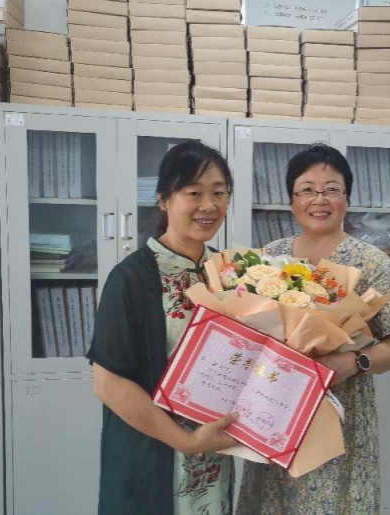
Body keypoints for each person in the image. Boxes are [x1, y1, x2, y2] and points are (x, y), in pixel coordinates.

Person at [236, 143, 390, 514]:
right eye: (307, 189)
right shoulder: (271, 257)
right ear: (292, 199)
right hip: (277, 406)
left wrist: (354, 362)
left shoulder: (370, 263)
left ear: (347, 198)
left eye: (332, 189)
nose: (320, 200)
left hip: (341, 411)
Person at [87, 141, 239, 515]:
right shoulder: (132, 277)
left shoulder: (229, 272)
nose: (209, 205)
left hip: (213, 452)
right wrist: (186, 441)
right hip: (153, 455)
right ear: (164, 199)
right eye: (194, 193)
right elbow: (109, 384)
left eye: (219, 193)